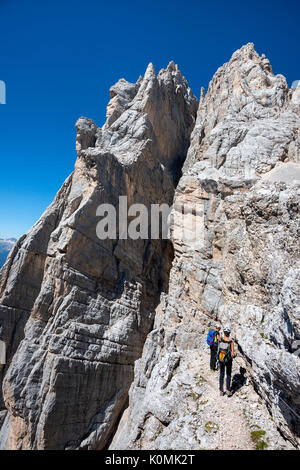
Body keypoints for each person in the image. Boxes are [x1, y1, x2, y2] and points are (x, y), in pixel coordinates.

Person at [218, 326, 235, 396]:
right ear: (229, 333)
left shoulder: (221, 340)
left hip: (221, 359)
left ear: (224, 333)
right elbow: (233, 354)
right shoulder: (231, 342)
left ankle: (221, 391)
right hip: (228, 360)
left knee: (221, 374)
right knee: (228, 374)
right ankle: (228, 390)